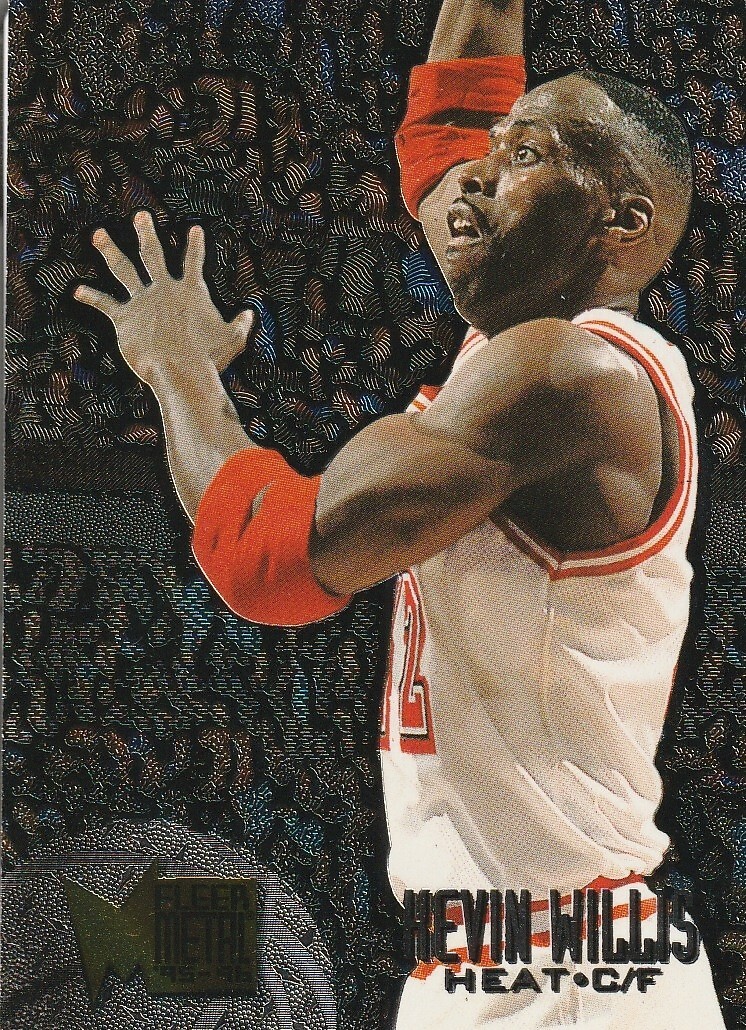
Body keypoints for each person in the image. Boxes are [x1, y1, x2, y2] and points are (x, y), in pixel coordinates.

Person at [74, 0, 727, 1024]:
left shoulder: (565, 373)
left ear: (621, 223)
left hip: (570, 982)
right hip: (506, 963)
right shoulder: (527, 326)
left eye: (523, 155)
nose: (475, 177)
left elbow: (265, 558)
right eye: (493, 151)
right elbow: (448, 126)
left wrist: (178, 368)